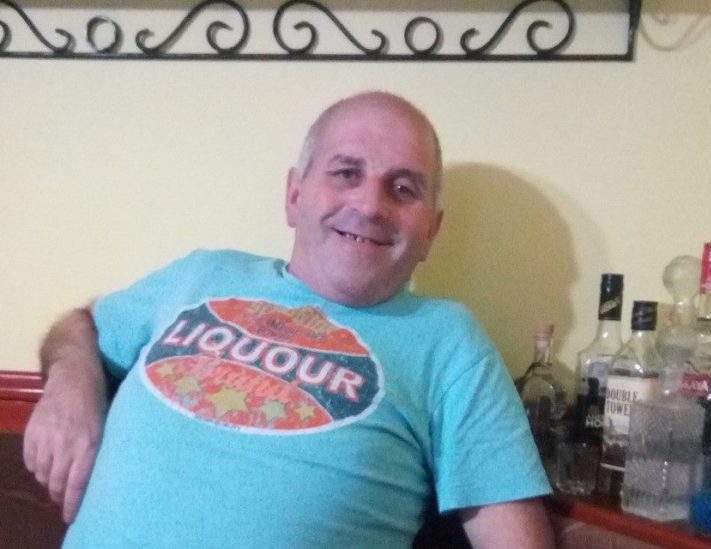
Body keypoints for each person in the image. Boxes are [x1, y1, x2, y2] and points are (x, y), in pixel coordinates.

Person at [23, 91, 555, 548]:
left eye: (403, 189)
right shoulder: (203, 273)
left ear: (431, 231)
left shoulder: (449, 342)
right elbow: (79, 325)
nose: (370, 205)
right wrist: (71, 387)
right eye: (346, 173)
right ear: (294, 195)